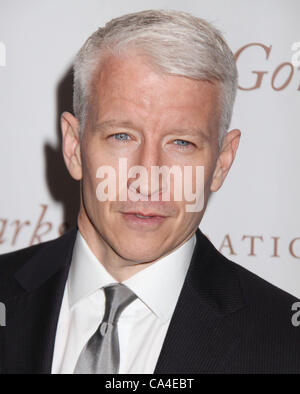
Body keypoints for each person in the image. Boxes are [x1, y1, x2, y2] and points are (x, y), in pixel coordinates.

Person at [0, 9, 299, 375]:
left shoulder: (286, 344)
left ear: (221, 163)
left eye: (182, 143)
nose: (148, 178)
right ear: (74, 148)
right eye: (122, 136)